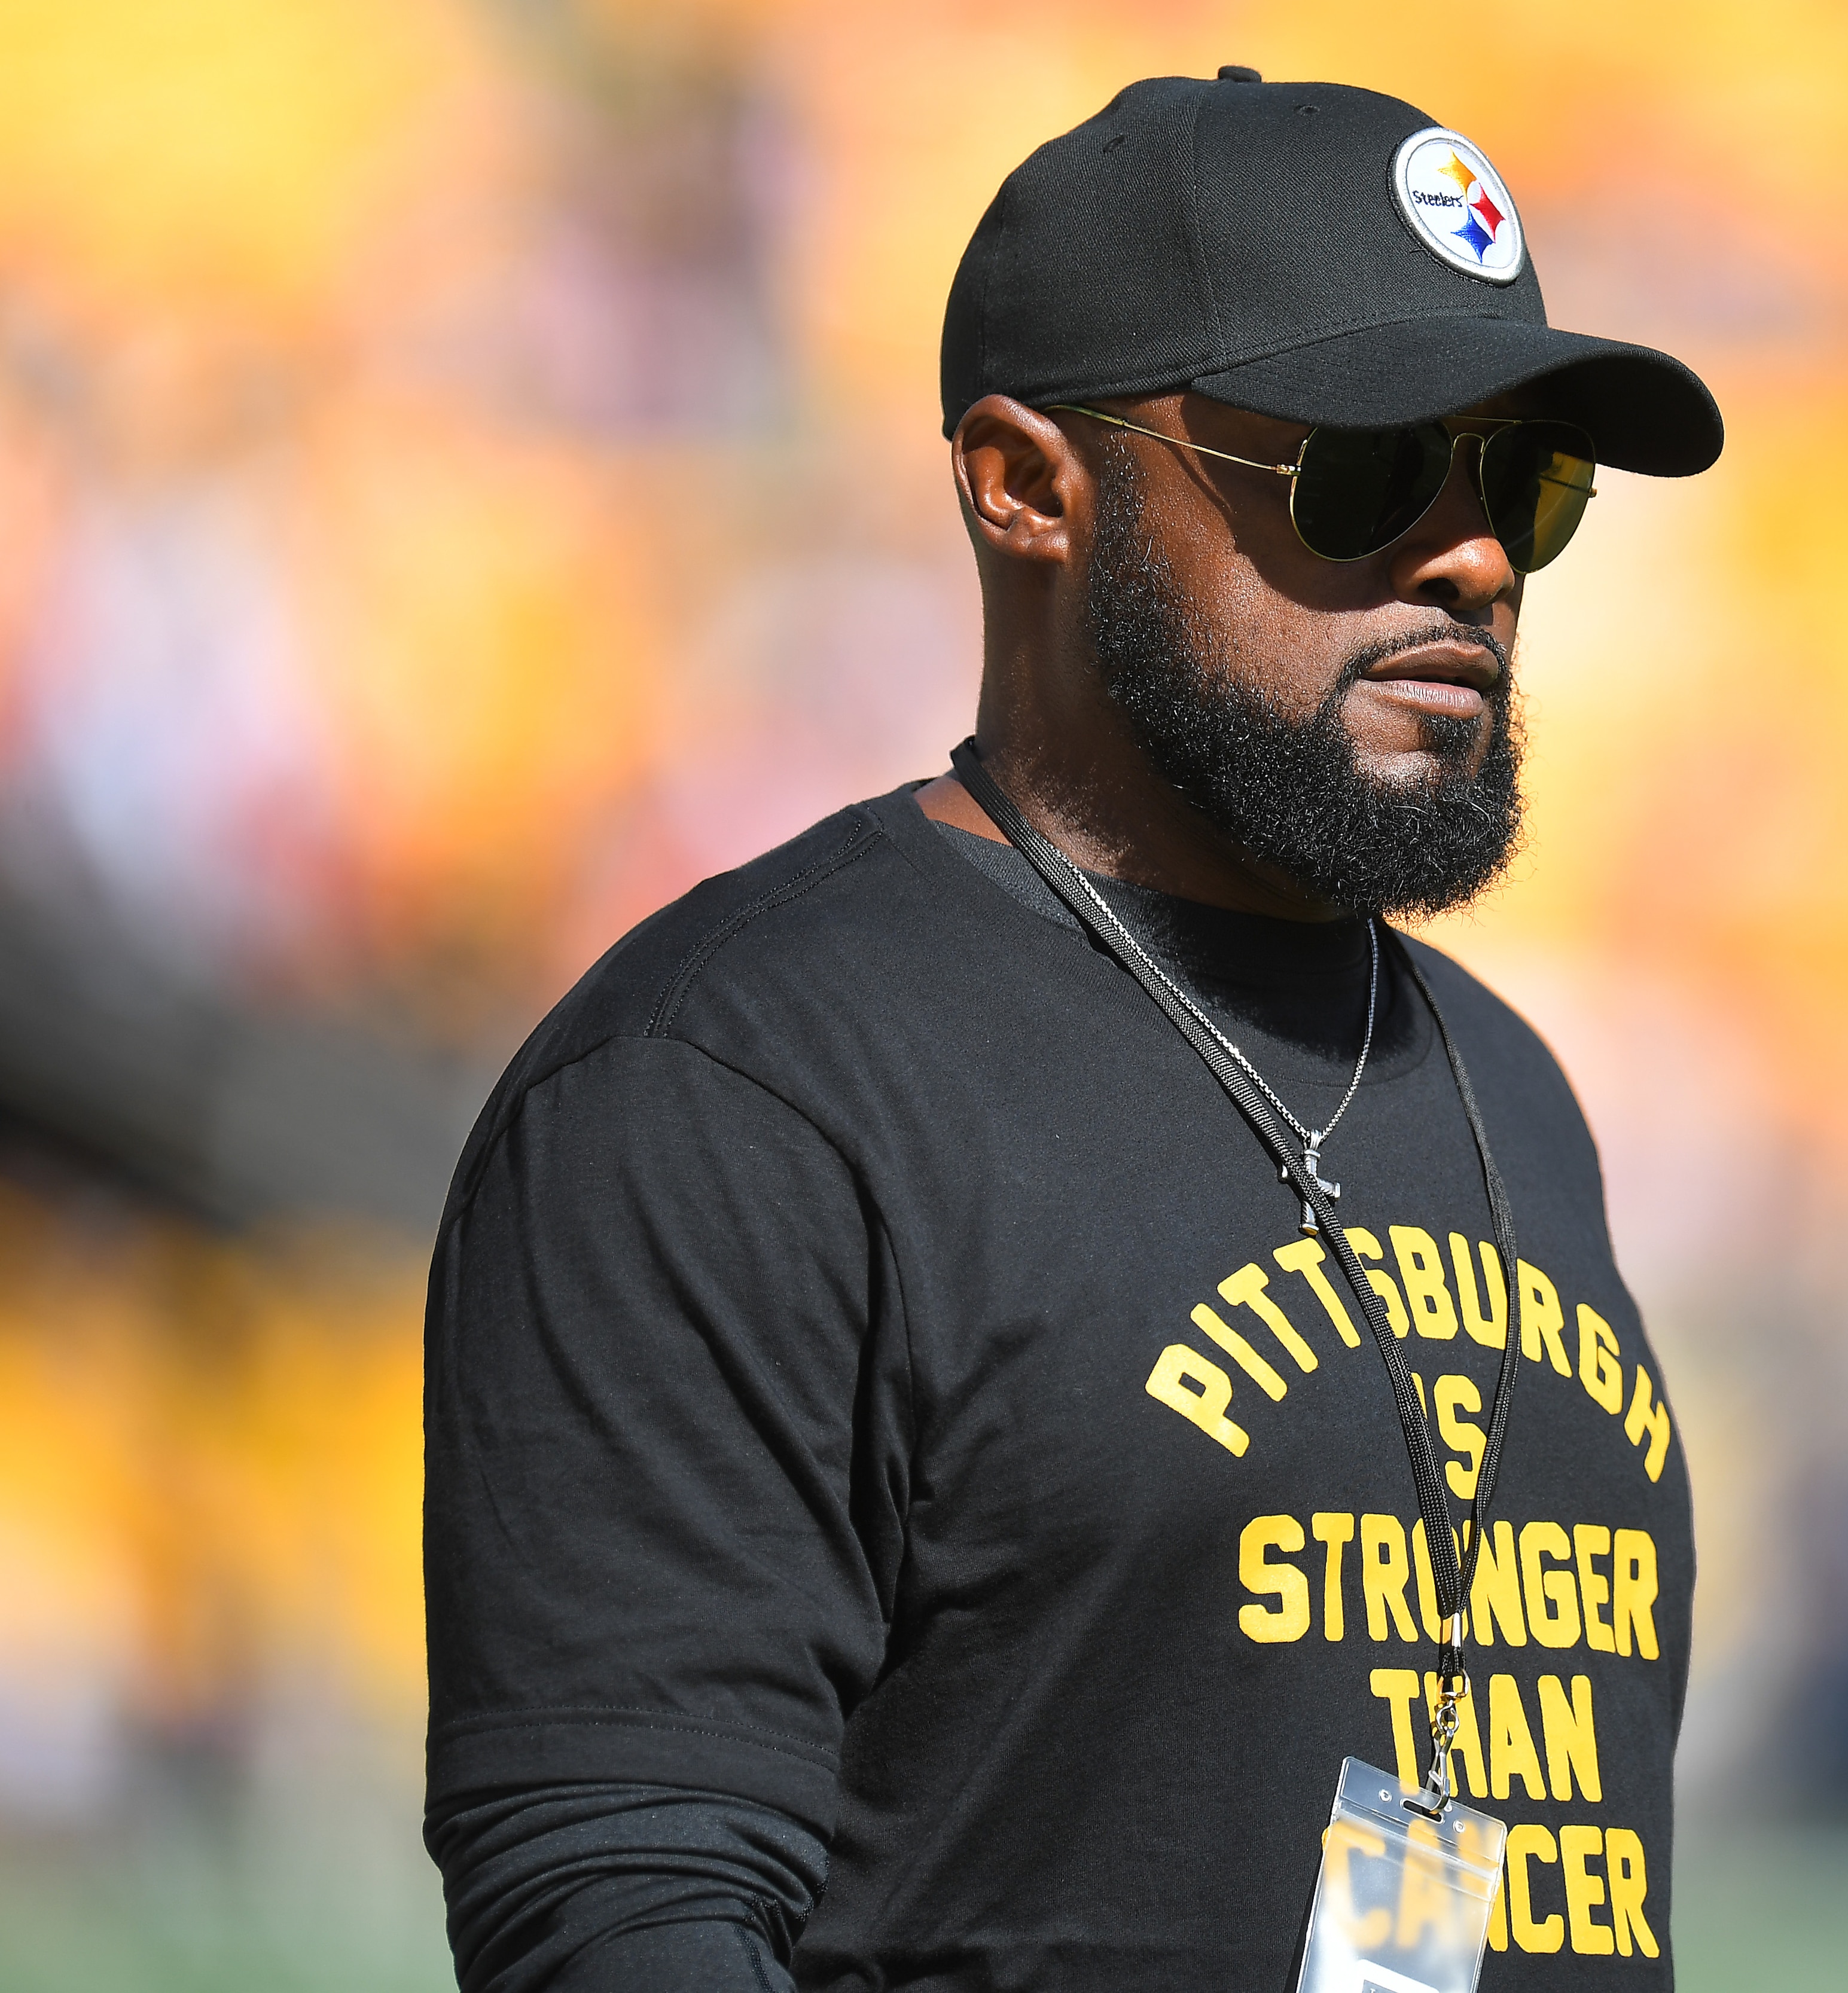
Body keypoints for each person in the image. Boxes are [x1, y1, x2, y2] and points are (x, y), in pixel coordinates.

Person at [422, 68, 1721, 1991]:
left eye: (1521, 485)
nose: (1470, 561)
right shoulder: (735, 1090)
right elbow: (621, 1914)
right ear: (1032, 485)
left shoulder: (1503, 1086)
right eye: (1363, 471)